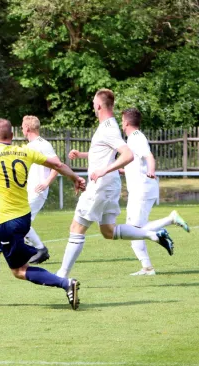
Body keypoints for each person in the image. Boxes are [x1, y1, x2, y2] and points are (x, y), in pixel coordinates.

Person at [0, 118, 86, 310]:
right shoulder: (25, 151)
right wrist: (75, 178)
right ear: (12, 136)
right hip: (22, 217)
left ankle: (65, 283)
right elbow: (57, 164)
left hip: (7, 221)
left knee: (19, 270)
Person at [55, 89, 174, 279]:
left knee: (76, 228)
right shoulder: (109, 127)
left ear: (99, 105)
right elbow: (103, 152)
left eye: (94, 102)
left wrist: (104, 170)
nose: (93, 106)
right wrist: (83, 156)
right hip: (110, 185)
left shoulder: (108, 128)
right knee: (108, 231)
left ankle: (61, 276)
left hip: (101, 186)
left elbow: (127, 155)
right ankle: (154, 234)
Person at [120, 108, 189, 276]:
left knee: (133, 231)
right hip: (140, 189)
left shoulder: (136, 137)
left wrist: (151, 171)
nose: (121, 124)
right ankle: (147, 268)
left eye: (122, 120)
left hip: (142, 189)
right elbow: (135, 164)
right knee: (134, 231)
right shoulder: (132, 139)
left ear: (127, 122)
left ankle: (170, 219)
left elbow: (149, 157)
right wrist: (122, 171)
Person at [21, 115, 58, 264]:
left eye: (23, 127)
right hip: (30, 190)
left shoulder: (43, 144)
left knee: (21, 222)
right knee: (21, 223)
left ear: (28, 128)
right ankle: (33, 250)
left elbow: (57, 165)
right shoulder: (30, 146)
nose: (22, 129)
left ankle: (39, 249)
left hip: (38, 191)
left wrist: (46, 182)